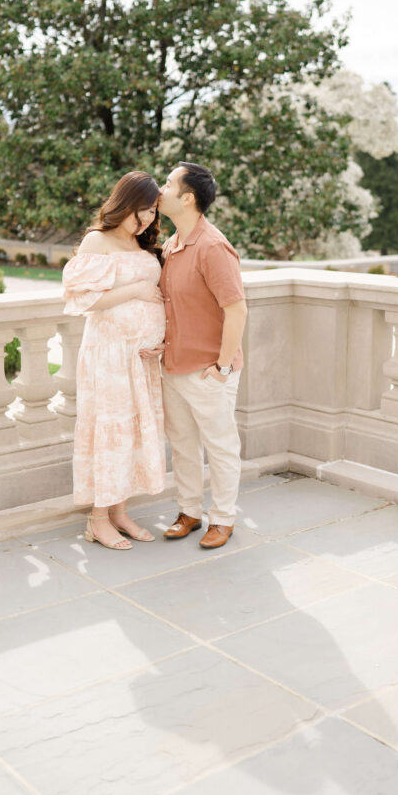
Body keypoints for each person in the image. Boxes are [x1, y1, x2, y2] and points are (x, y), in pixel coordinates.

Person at [61, 172, 166, 550]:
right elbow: (81, 298)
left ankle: (120, 512)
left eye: (153, 211)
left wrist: (161, 341)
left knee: (131, 433)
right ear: (124, 202)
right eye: (142, 210)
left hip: (140, 361)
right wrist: (135, 289)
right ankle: (97, 519)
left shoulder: (143, 244)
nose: (148, 218)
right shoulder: (97, 240)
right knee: (110, 431)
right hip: (108, 355)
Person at [151, 161, 248, 549]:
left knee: (220, 446)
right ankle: (189, 511)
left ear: (188, 198)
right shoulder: (172, 245)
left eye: (169, 183)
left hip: (209, 370)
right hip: (173, 367)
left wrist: (222, 367)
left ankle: (222, 518)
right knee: (183, 445)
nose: (161, 188)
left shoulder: (212, 246)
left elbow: (236, 309)